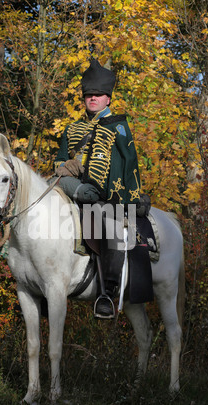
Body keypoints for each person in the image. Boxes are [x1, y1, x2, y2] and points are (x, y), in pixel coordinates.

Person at [54, 58, 143, 318]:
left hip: (108, 197)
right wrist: (69, 174)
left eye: (98, 94)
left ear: (108, 98)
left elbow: (129, 164)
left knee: (110, 222)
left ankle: (107, 293)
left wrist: (132, 197)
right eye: (89, 95)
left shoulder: (119, 127)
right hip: (75, 191)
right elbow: (59, 162)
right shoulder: (73, 129)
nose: (92, 98)